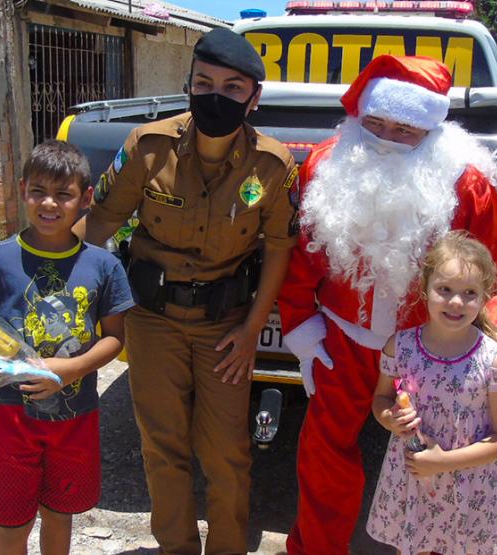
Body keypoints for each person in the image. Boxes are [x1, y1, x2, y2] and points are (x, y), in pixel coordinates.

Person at [276, 54, 497, 555]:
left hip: (430, 348)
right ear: (357, 117)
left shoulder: (465, 182)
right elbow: (302, 257)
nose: (385, 138)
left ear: (431, 129)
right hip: (342, 339)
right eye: (374, 123)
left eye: (404, 128)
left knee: (433, 456)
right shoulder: (326, 164)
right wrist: (301, 329)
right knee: (324, 454)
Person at [72, 28, 298, 555]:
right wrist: (39, 272)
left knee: (227, 452)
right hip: (153, 322)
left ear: (254, 97)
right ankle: (176, 547)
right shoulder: (148, 148)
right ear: (189, 85)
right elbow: (98, 223)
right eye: (204, 82)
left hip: (225, 329)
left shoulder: (273, 166)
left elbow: (281, 251)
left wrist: (250, 332)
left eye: (233, 87)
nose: (216, 96)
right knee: (162, 446)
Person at [0, 139, 134, 554]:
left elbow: (115, 338)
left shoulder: (103, 266)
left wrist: (71, 370)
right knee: (12, 522)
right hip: (9, 420)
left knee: (60, 514)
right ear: (23, 191)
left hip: (76, 419)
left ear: (85, 198)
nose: (49, 203)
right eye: (38, 191)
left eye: (63, 194)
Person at [368, 232, 497, 555]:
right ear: (424, 290)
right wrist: (391, 419)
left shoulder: (493, 360)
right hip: (411, 481)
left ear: (485, 298)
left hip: (469, 486)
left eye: (469, 293)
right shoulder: (401, 347)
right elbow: (380, 401)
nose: (456, 302)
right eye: (445, 290)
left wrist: (442, 462)